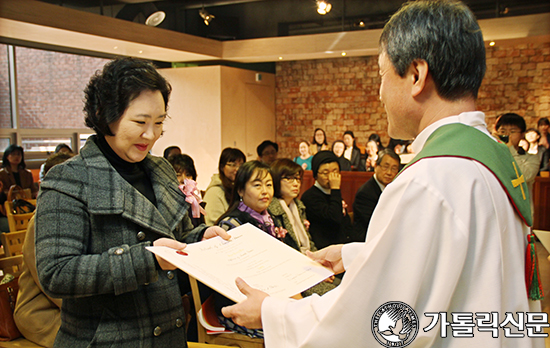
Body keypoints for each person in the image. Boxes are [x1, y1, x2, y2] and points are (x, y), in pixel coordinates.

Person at [220, 2, 543, 347]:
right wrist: (354, 255)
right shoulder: (489, 157)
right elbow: (462, 265)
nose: (379, 92)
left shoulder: (428, 179)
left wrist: (272, 313)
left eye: (382, 75)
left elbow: (375, 322)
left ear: (416, 75)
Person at [35, 57, 229, 348]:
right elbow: (57, 273)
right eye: (140, 122)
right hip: (108, 340)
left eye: (159, 123)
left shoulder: (160, 169)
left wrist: (202, 237)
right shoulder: (69, 179)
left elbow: (176, 237)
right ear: (104, 115)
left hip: (169, 334)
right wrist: (146, 260)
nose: (150, 135)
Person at [14, 151, 74, 348]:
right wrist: (90, 313)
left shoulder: (76, 213)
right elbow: (48, 281)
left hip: (70, 308)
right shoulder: (41, 220)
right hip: (40, 312)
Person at [267, 158, 337, 295]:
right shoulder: (271, 209)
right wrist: (314, 271)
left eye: (298, 179)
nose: (296, 184)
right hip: (293, 274)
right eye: (289, 179)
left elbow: (309, 242)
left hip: (309, 265)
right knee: (335, 295)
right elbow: (283, 253)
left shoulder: (298, 206)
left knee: (347, 287)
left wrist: (320, 264)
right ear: (276, 180)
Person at [300, 151, 351, 250]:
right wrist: (335, 188)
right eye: (325, 173)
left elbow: (346, 225)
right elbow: (334, 218)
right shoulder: (310, 196)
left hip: (342, 247)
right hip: (324, 250)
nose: (331, 177)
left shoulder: (333, 194)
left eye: (335, 172)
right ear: (315, 175)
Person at [352, 149, 400, 242]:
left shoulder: (394, 189)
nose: (389, 172)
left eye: (394, 169)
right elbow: (375, 224)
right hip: (367, 241)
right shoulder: (365, 193)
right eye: (385, 167)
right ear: (376, 167)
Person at [494, 113, 539, 210]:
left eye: (512, 131)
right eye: (503, 131)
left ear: (522, 134)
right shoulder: (492, 155)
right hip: (497, 209)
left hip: (520, 211)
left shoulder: (531, 158)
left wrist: (510, 149)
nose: (507, 135)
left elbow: (525, 176)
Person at [203, 147, 246, 225]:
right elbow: (214, 223)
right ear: (222, 167)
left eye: (241, 165)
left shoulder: (240, 188)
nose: (237, 169)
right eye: (233, 165)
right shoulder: (215, 191)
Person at [167, 154, 204, 228]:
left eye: (188, 174)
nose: (184, 179)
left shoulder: (195, 201)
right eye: (178, 175)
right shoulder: (167, 202)